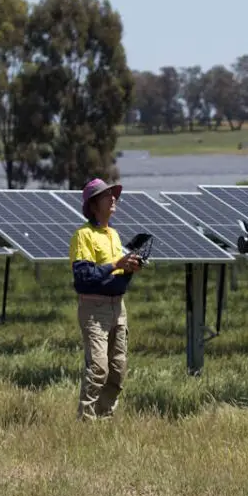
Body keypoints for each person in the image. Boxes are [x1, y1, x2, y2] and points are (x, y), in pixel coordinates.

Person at [69, 177, 142, 420]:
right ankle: (86, 422)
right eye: (106, 195)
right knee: (98, 368)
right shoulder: (83, 235)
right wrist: (115, 264)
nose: (113, 198)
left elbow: (117, 278)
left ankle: (105, 418)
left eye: (114, 195)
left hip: (117, 307)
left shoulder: (115, 235)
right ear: (93, 204)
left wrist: (128, 270)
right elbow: (83, 278)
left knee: (118, 370)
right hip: (94, 308)